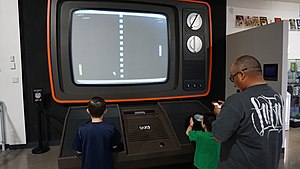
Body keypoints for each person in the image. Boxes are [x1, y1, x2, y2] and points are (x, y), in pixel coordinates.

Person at [212, 55, 283, 169]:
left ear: (241, 75)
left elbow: (218, 136)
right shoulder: (277, 97)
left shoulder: (236, 100)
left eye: (232, 78)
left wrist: (220, 114)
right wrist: (229, 109)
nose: (234, 83)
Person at [72, 96, 121, 169]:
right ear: (105, 111)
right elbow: (115, 145)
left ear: (88, 111)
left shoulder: (81, 129)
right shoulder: (110, 128)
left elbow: (78, 150)